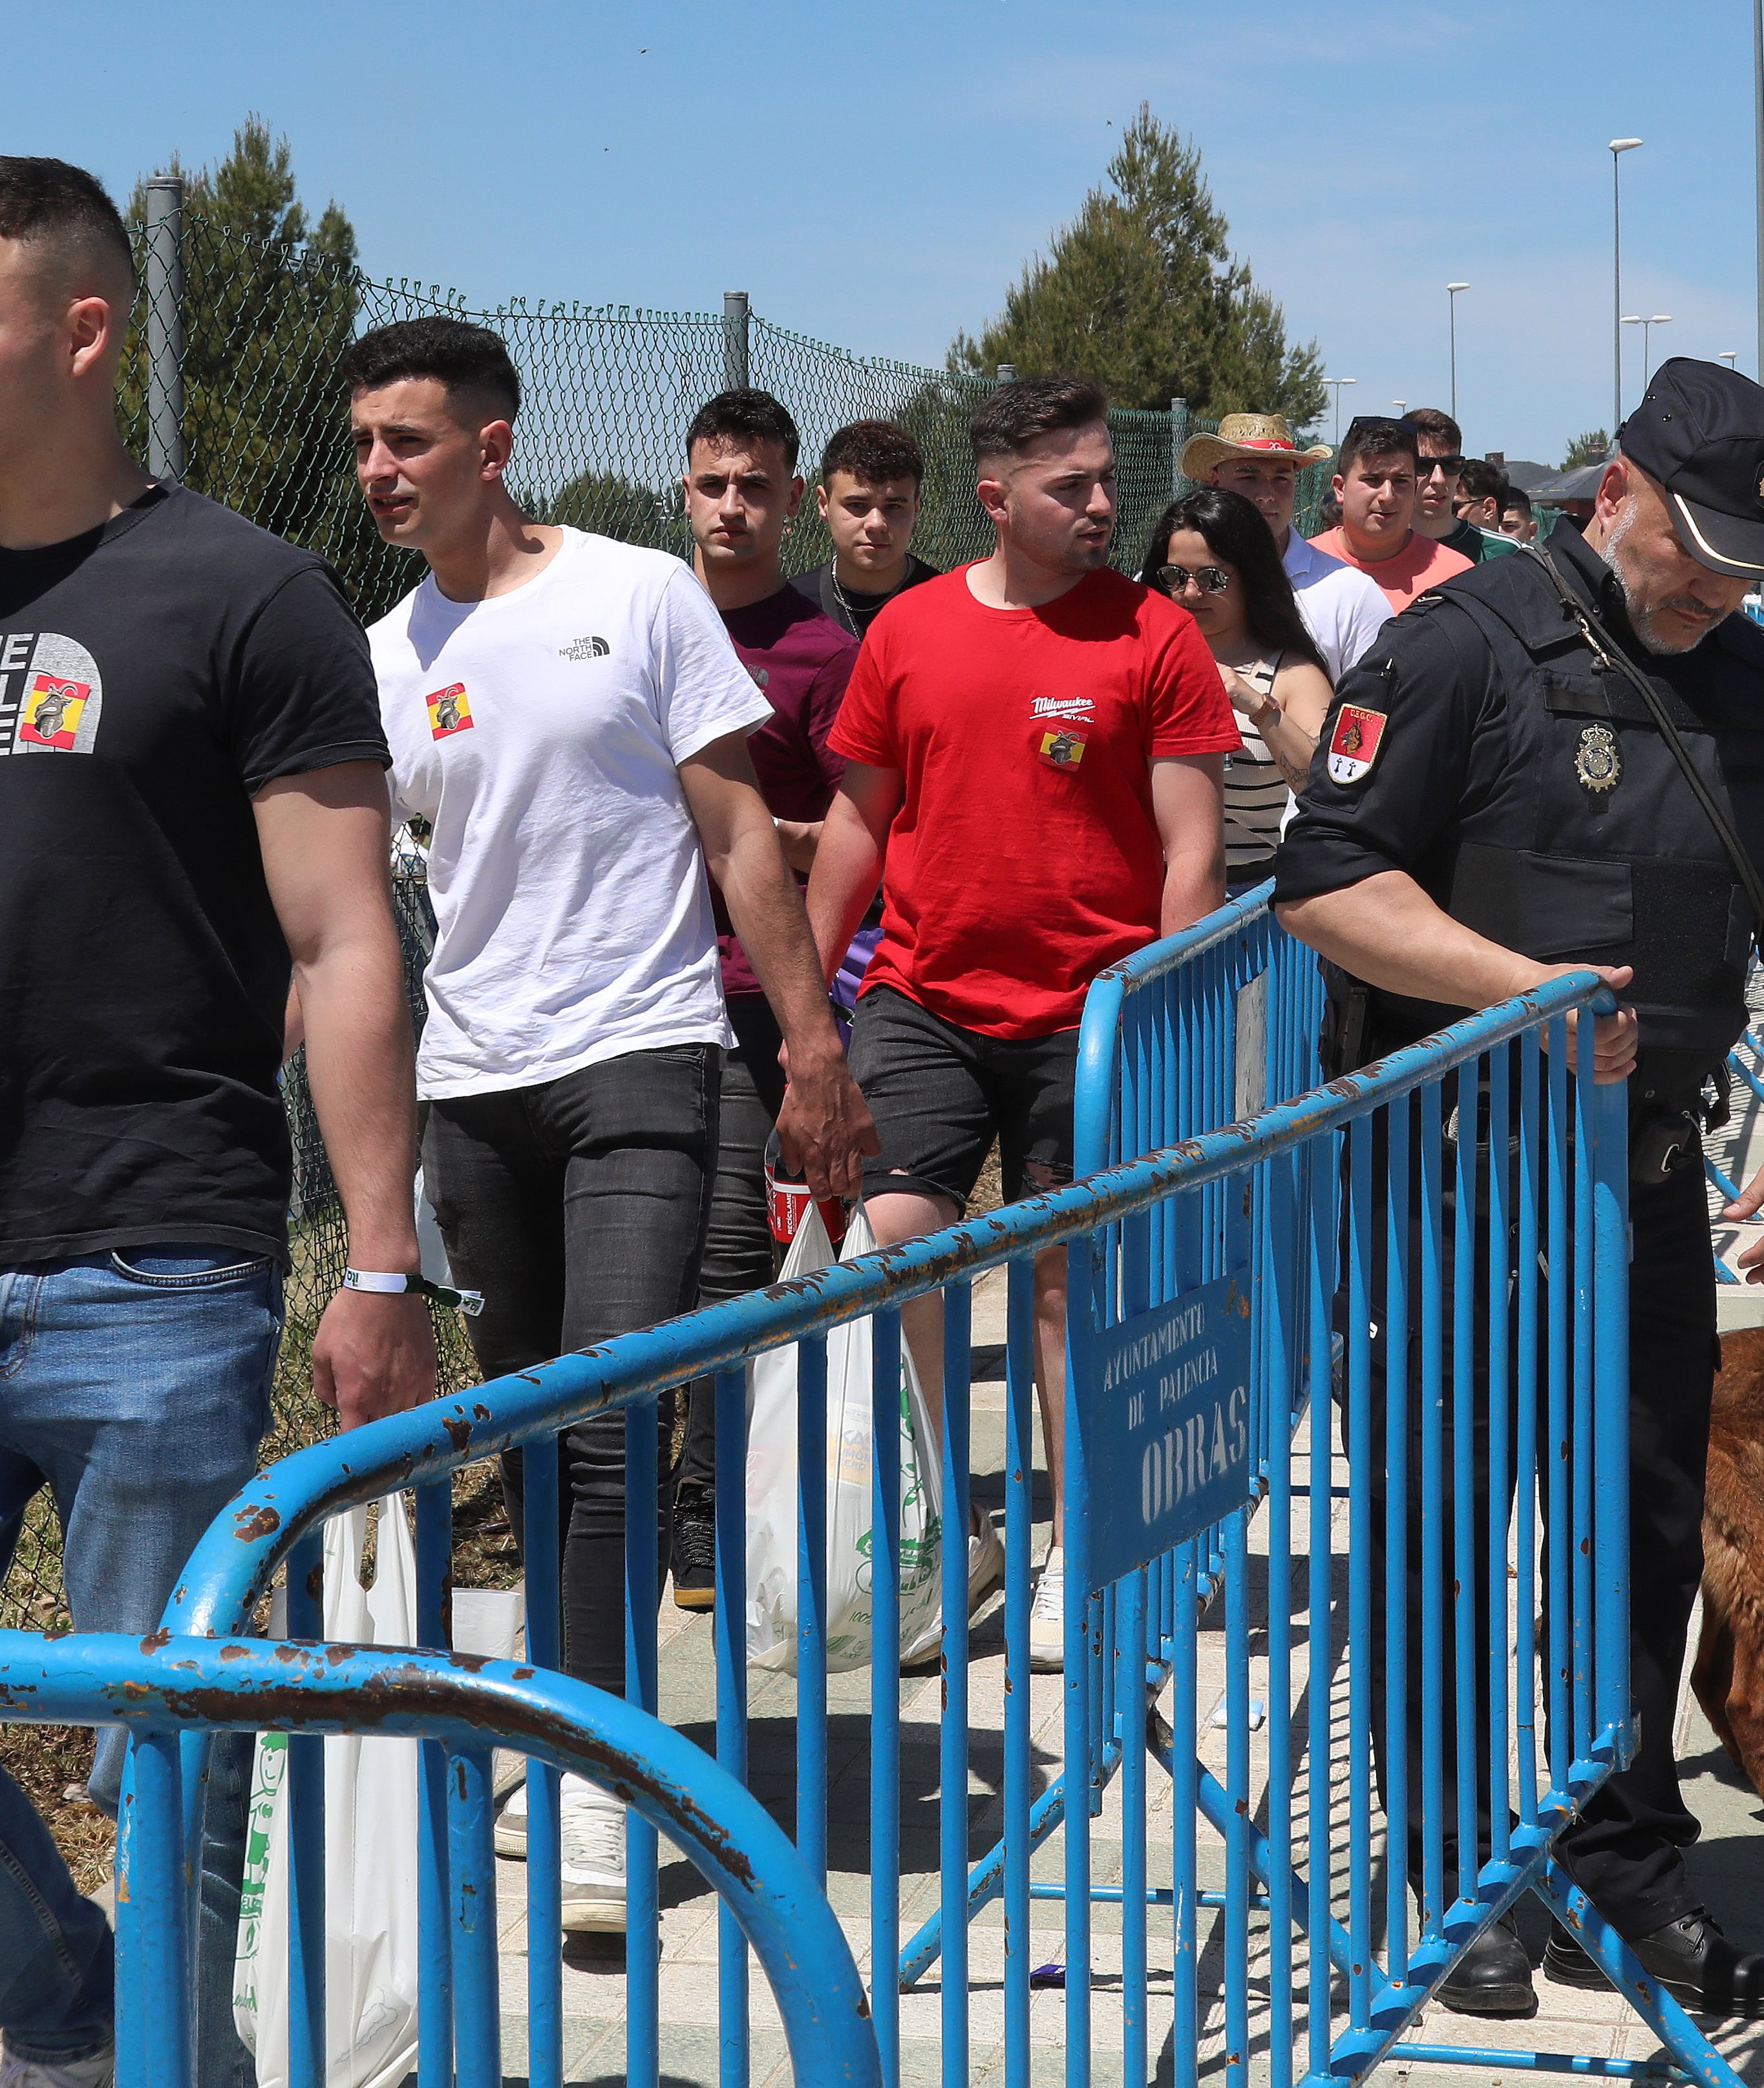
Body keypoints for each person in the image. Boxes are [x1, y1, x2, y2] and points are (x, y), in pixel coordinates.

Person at [0, 155, 434, 2088]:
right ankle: (74, 2009)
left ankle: (168, 2057)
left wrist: (376, 1256)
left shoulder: (247, 593)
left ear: (85, 331)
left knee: (167, 1742)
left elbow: (342, 929)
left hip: (155, 1257)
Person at [1274, 357, 1764, 2021]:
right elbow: (1323, 880)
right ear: (1617, 492)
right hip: (1457, 1184)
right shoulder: (1459, 649)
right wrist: (1512, 989)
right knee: (1451, 1531)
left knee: (1638, 1528)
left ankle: (1622, 1857)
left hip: (1642, 1185)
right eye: (1699, 555)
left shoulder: (1760, 691)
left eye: (1751, 569)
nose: (1719, 594)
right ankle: (1470, 1867)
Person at [348, 328, 871, 1932]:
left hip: (645, 1054)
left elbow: (735, 829)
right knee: (528, 1431)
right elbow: (371, 889)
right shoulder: (383, 650)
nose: (378, 469)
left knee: (610, 1416)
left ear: (492, 448)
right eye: (363, 442)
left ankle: (591, 1789)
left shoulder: (637, 592)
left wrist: (807, 1046)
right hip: (473, 1082)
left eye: (409, 441)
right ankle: (581, 1720)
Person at [806, 377, 1233, 1672]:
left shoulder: (1155, 637)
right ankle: (947, 1526)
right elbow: (856, 828)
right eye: (1073, 485)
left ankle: (1081, 1551)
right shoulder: (911, 634)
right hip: (924, 999)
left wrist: (1165, 1026)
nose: (1106, 504)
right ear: (996, 497)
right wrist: (801, 1022)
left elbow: (1191, 852)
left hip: (1091, 1014)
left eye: (1107, 478)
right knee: (895, 1252)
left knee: (1064, 1282)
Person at [674, 385, 889, 1608]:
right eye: (714, 485)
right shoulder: (645, 621)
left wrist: (759, 834)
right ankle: (657, 1500)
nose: (734, 508)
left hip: (761, 995)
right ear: (686, 492)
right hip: (636, 989)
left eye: (758, 487)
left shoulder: (826, 656)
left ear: (794, 501)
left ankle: (712, 1513)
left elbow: (865, 839)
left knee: (727, 1266)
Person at [1136, 487, 1335, 889]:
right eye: (1175, 576)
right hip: (1141, 889)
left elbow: (1327, 791)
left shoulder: (1293, 675)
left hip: (1243, 901)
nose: (1190, 593)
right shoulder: (1139, 658)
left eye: (1213, 578)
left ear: (1253, 576)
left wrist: (1257, 706)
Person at [1180, 410, 1390, 676]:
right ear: (1215, 481)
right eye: (1248, 477)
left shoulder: (1351, 595)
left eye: (1281, 478)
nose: (1267, 495)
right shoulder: (1171, 583)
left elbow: (1370, 704)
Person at [794, 418, 940, 638]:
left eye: (894, 506)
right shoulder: (793, 609)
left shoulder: (950, 606)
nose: (876, 523)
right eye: (857, 505)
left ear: (916, 507)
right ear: (824, 505)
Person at [1310, 416, 1474, 613]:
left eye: (1400, 481)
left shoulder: (1457, 575)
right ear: (1340, 489)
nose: (1387, 496)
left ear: (1414, 489)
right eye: (1373, 480)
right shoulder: (1300, 568)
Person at [1402, 405, 1490, 564]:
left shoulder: (1504, 553)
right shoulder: (1372, 553)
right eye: (1423, 466)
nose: (1439, 479)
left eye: (1451, 465)